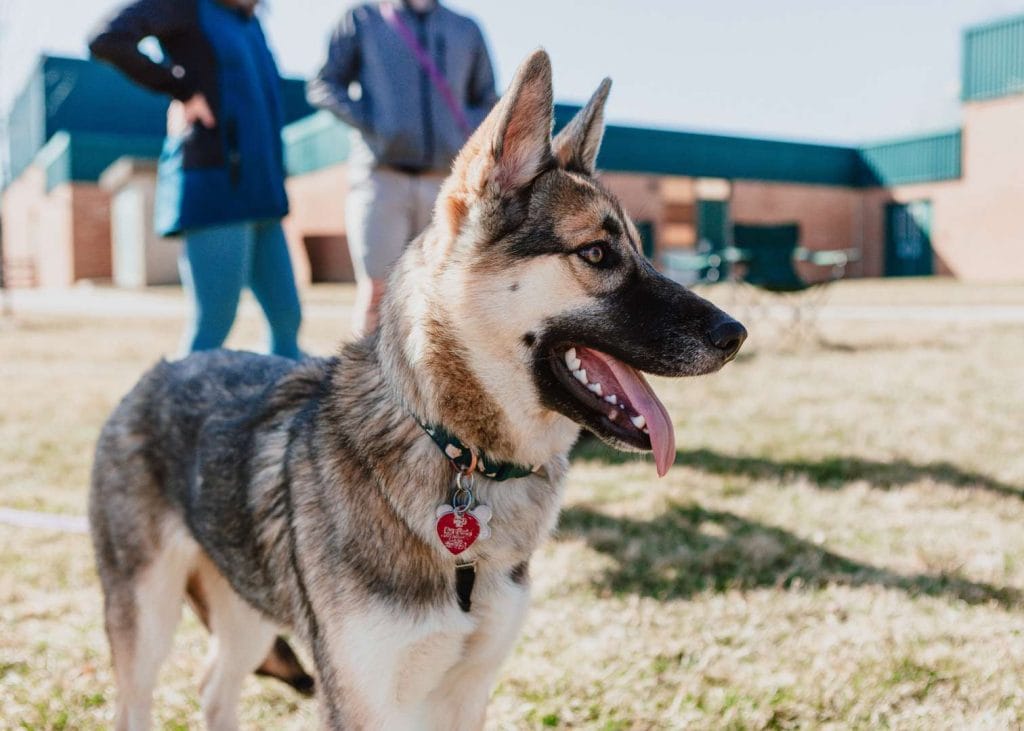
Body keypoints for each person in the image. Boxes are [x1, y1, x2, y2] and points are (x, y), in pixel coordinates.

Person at [89, 0, 303, 359]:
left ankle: (284, 411)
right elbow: (107, 40)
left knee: (287, 319)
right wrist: (182, 90)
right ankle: (172, 412)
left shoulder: (251, 24)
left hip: (262, 193)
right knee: (213, 324)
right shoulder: (185, 6)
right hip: (214, 187)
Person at [308, 0, 497, 337]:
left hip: (446, 186)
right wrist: (375, 123)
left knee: (439, 295)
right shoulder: (363, 19)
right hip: (381, 179)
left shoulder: (465, 29)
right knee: (377, 293)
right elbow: (324, 84)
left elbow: (487, 99)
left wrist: (463, 130)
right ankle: (367, 385)